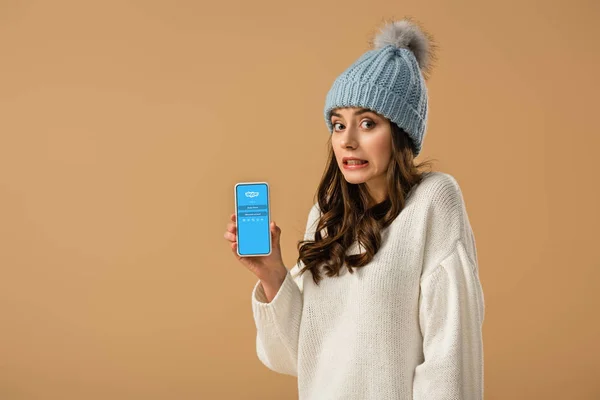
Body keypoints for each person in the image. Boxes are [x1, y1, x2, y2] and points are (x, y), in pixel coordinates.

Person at [223, 17, 485, 400]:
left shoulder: (433, 202)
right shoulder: (328, 217)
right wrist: (273, 275)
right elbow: (297, 356)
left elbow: (449, 357)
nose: (347, 141)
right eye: (337, 124)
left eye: (367, 123)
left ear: (400, 133)